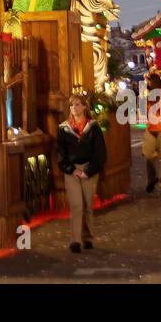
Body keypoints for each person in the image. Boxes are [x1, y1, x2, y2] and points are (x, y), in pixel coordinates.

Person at [55, 92, 106, 252]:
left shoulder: (93, 126)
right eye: (71, 105)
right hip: (72, 170)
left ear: (84, 106)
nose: (74, 108)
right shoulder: (63, 128)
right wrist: (71, 169)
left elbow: (100, 152)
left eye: (77, 104)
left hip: (89, 168)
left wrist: (89, 171)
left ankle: (88, 237)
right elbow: (60, 153)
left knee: (88, 206)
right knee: (76, 205)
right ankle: (75, 240)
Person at [141, 74, 161, 196]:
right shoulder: (148, 94)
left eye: (149, 82)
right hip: (150, 129)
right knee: (148, 155)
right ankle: (152, 179)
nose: (148, 84)